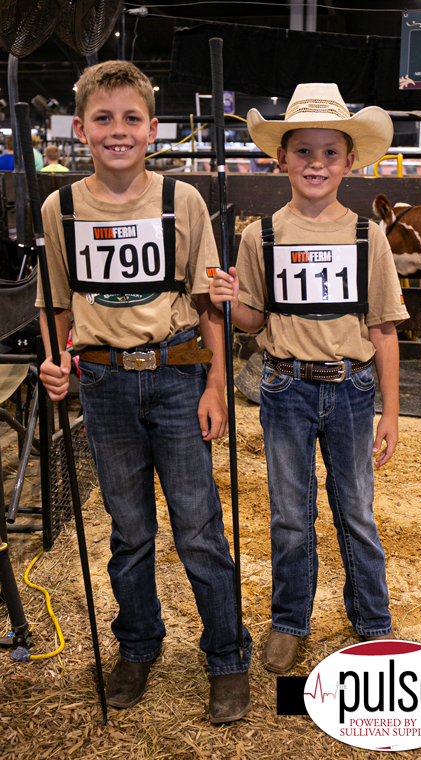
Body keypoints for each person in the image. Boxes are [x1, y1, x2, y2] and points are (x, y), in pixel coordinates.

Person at [36, 60, 251, 720]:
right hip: (102, 383)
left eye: (131, 118)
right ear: (81, 129)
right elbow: (56, 302)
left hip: (177, 374)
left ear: (152, 129)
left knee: (199, 528)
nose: (118, 130)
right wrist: (54, 360)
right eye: (104, 119)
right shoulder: (60, 207)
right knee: (128, 531)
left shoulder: (181, 201)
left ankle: (226, 656)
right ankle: (137, 645)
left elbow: (210, 301)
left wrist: (217, 383)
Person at [210, 83, 409, 674]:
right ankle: (290, 620)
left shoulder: (366, 234)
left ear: (350, 160)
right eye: (303, 151)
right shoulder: (260, 235)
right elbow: (254, 318)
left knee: (356, 510)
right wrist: (227, 300)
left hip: (351, 390)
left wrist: (391, 413)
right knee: (290, 512)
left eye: (329, 152)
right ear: (282, 159)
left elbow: (384, 327)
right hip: (284, 388)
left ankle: (372, 621)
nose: (315, 163)